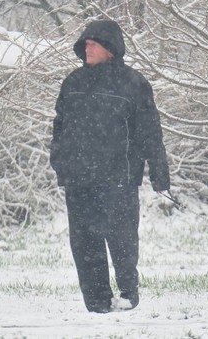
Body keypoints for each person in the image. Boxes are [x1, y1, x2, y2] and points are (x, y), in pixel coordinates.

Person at [50, 19, 171, 313]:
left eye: (93, 44)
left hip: (119, 178)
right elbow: (60, 126)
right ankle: (97, 302)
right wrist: (60, 162)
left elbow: (149, 131)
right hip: (78, 179)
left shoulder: (134, 84)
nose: (87, 48)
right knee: (84, 243)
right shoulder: (73, 82)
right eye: (85, 44)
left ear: (110, 49)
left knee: (122, 240)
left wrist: (158, 171)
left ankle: (128, 293)